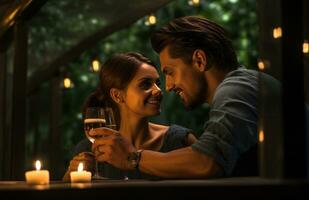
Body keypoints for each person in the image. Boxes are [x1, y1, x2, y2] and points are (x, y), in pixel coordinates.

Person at [90, 16, 279, 178]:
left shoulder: (237, 88)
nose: (168, 86)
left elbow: (206, 162)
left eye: (170, 72)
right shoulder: (243, 86)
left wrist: (132, 158)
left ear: (199, 60)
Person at [62, 52, 196, 181]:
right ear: (117, 95)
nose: (158, 90)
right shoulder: (90, 151)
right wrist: (69, 177)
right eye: (145, 84)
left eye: (157, 83)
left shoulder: (180, 141)